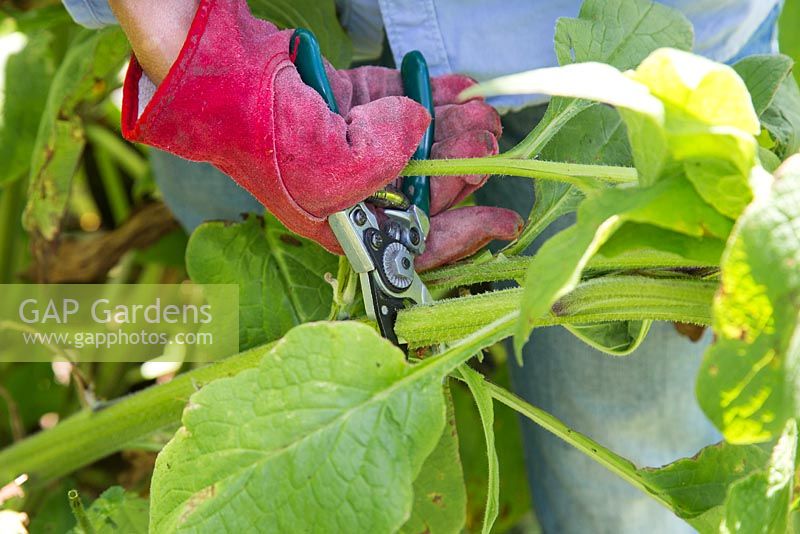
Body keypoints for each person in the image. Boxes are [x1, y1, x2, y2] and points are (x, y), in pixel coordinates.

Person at [61, 1, 785, 532]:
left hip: (598, 79)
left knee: (625, 462)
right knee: (238, 274)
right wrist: (185, 42)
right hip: (250, 30)